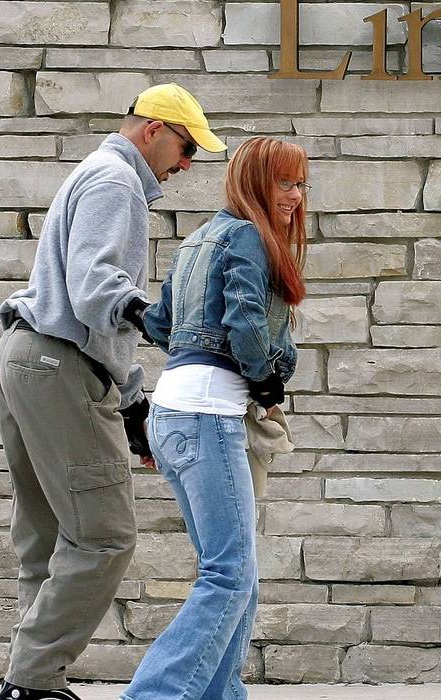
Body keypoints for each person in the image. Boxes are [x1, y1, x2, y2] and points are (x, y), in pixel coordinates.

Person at [0, 84, 226, 700]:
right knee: (104, 536)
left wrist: (130, 399)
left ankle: (34, 685)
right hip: (57, 363)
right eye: (184, 146)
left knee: (46, 539)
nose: (186, 164)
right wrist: (161, 318)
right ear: (152, 129)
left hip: (25, 357)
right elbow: (97, 290)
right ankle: (32, 681)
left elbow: (83, 292)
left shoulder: (94, 174)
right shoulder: (117, 182)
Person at [120, 136, 308, 700]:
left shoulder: (199, 237)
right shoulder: (248, 236)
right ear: (254, 181)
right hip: (207, 413)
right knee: (228, 574)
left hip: (174, 412)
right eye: (284, 183)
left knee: (235, 574)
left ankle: (220, 694)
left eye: (301, 184)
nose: (295, 197)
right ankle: (153, 696)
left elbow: (159, 323)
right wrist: (267, 379)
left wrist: (126, 304)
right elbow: (247, 320)